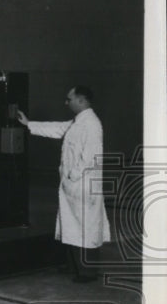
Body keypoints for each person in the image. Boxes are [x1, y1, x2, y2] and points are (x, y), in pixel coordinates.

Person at [18, 86, 110, 282]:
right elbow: (58, 128)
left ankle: (87, 272)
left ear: (81, 100)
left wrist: (72, 176)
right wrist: (28, 124)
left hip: (82, 186)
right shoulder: (78, 122)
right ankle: (73, 266)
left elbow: (92, 157)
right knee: (72, 226)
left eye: (69, 99)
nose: (65, 102)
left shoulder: (92, 125)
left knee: (86, 228)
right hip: (73, 186)